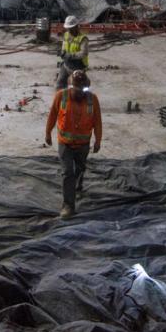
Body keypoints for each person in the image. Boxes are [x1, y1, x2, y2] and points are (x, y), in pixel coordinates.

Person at [44, 69, 102, 219]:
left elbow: (97, 121)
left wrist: (98, 140)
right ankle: (68, 205)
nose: (79, 92)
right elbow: (52, 115)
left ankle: (79, 182)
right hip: (66, 144)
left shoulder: (92, 100)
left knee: (80, 168)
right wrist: (48, 133)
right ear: (70, 87)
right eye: (76, 88)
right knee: (68, 172)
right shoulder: (61, 97)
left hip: (83, 144)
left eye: (83, 89)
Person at [57, 15, 88, 89]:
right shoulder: (66, 35)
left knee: (79, 88)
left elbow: (83, 53)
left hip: (78, 67)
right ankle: (61, 100)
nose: (69, 30)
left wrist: (70, 56)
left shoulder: (83, 39)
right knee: (59, 85)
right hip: (66, 65)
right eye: (68, 28)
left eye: (71, 28)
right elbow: (64, 48)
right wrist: (62, 54)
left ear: (76, 27)